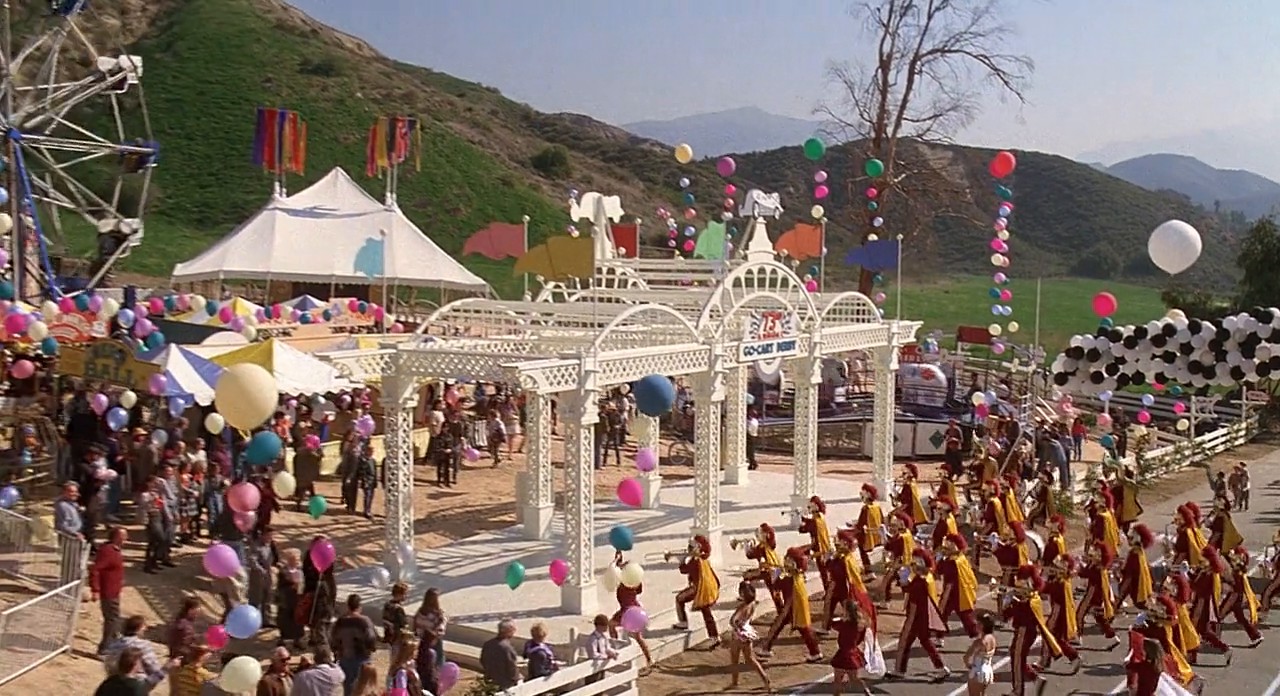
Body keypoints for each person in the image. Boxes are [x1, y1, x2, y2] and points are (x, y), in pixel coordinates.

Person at [103, 615, 179, 691]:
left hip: (115, 681)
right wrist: (167, 667)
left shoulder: (114, 644)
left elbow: (108, 665)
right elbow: (154, 669)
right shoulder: (143, 645)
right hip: (136, 685)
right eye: (144, 626)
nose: (146, 628)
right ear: (138, 629)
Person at [725, 582, 770, 692]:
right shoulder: (753, 604)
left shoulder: (742, 607)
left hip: (739, 635)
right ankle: (765, 679)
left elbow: (732, 621)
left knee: (734, 659)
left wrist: (737, 628)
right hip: (747, 632)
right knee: (750, 659)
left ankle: (735, 682)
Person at [330, 594, 378, 696]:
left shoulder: (340, 622)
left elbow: (333, 640)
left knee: (348, 687)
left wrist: (337, 652)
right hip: (362, 657)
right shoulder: (364, 621)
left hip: (344, 658)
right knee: (362, 687)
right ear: (359, 606)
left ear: (348, 606)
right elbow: (371, 639)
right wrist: (371, 648)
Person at [90, 526, 128, 654]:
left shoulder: (114, 550)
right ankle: (104, 647)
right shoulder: (108, 551)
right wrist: (95, 589)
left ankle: (114, 640)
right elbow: (95, 570)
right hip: (108, 592)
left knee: (114, 618)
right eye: (124, 536)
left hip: (114, 591)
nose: (126, 538)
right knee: (112, 619)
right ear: (117, 537)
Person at [831, 599, 873, 696]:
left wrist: (839, 618)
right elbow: (860, 639)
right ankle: (867, 692)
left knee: (838, 679)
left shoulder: (844, 624)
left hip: (843, 654)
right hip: (852, 653)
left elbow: (833, 624)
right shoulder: (859, 625)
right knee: (854, 678)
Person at [479, 619, 520, 690]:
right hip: (505, 683)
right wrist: (516, 678)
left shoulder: (488, 644)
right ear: (508, 631)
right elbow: (512, 667)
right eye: (513, 630)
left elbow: (482, 660)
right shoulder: (506, 648)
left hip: (490, 680)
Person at [277, 548, 305, 649]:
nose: (297, 561)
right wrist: (292, 585)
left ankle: (298, 639)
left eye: (298, 559)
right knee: (286, 620)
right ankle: (284, 639)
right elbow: (281, 586)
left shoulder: (300, 571)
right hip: (287, 599)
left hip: (298, 599)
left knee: (298, 620)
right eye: (295, 559)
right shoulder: (283, 572)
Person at [964, 613, 998, 696]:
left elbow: (966, 657)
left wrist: (969, 665)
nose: (976, 625)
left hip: (977, 672)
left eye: (978, 623)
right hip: (988, 670)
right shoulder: (992, 639)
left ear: (982, 626)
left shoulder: (979, 642)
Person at [413, 588, 448, 668]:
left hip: (426, 640)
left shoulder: (422, 611)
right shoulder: (434, 613)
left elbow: (417, 626)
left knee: (425, 662)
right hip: (430, 640)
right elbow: (440, 628)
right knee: (436, 662)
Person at [583, 614, 619, 684]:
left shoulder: (604, 637)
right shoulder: (593, 639)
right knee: (593, 685)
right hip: (593, 667)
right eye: (604, 625)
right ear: (599, 626)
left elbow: (607, 648)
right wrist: (605, 657)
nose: (606, 628)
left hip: (601, 666)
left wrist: (612, 653)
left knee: (601, 683)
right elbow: (593, 654)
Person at [381, 582, 409, 647]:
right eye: (405, 594)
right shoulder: (398, 609)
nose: (406, 596)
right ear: (399, 594)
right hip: (396, 639)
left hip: (388, 636)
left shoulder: (387, 604)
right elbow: (403, 626)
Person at [354, 444, 378, 519]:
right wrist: (364, 481)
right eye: (370, 451)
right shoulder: (363, 460)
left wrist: (375, 481)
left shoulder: (373, 460)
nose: (371, 452)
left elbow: (375, 472)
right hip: (367, 481)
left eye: (372, 451)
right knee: (367, 496)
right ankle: (366, 511)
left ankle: (368, 509)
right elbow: (362, 472)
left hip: (372, 481)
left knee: (371, 496)